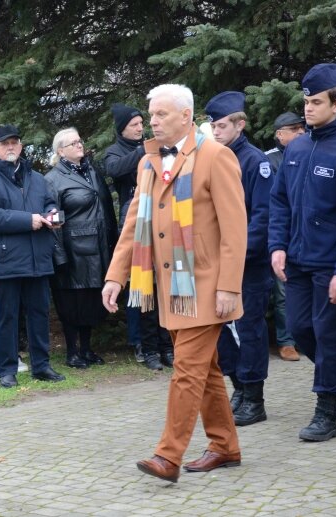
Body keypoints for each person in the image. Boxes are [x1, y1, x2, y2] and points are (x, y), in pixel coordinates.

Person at [102, 84, 247, 483]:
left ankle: (168, 455)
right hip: (170, 285)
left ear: (186, 116)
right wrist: (116, 275)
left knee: (186, 370)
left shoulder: (217, 156)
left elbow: (236, 230)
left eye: (161, 115)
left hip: (205, 282)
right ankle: (224, 446)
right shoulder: (148, 162)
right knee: (206, 371)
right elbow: (134, 223)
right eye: (151, 116)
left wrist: (229, 287)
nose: (153, 122)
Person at [268, 63, 336, 442]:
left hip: (331, 265)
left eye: (316, 102)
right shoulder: (296, 148)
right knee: (300, 330)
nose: (308, 109)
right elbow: (279, 202)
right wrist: (277, 246)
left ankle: (327, 412)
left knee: (328, 335)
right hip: (296, 261)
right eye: (306, 101)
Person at [0, 124, 66, 388]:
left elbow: (49, 202)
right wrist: (29, 220)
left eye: (15, 142)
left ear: (21, 146)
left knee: (39, 313)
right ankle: (6, 369)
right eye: (5, 143)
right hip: (4, 259)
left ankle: (41, 366)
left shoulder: (35, 177)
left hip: (38, 256)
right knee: (7, 316)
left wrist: (53, 215)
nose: (10, 147)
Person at [206, 91, 274, 427]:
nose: (216, 132)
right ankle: (238, 386)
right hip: (217, 261)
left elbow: (261, 216)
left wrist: (238, 255)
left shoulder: (254, 161)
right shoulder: (213, 158)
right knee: (219, 328)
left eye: (221, 126)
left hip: (249, 263)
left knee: (249, 329)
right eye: (212, 126)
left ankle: (254, 397)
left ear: (239, 124)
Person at [104, 103, 173, 369]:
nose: (140, 128)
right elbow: (115, 170)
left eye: (140, 123)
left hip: (162, 219)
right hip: (136, 222)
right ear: (122, 128)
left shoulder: (158, 147)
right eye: (134, 124)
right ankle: (148, 347)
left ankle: (167, 345)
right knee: (144, 286)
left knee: (165, 285)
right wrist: (144, 152)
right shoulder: (115, 152)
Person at [45, 127, 118, 368]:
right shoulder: (53, 179)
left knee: (91, 299)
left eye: (80, 141)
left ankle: (87, 348)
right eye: (73, 143)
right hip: (73, 249)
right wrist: (59, 255)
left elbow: (106, 208)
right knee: (70, 301)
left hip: (98, 247)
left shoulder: (91, 172)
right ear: (60, 151)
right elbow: (52, 220)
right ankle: (72, 351)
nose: (79, 145)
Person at [265, 112, 306, 362]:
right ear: (280, 134)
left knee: (297, 288)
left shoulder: (308, 153)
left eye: (302, 129)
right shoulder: (269, 160)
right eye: (295, 129)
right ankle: (286, 341)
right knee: (281, 291)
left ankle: (302, 338)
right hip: (279, 233)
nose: (301, 133)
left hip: (303, 233)